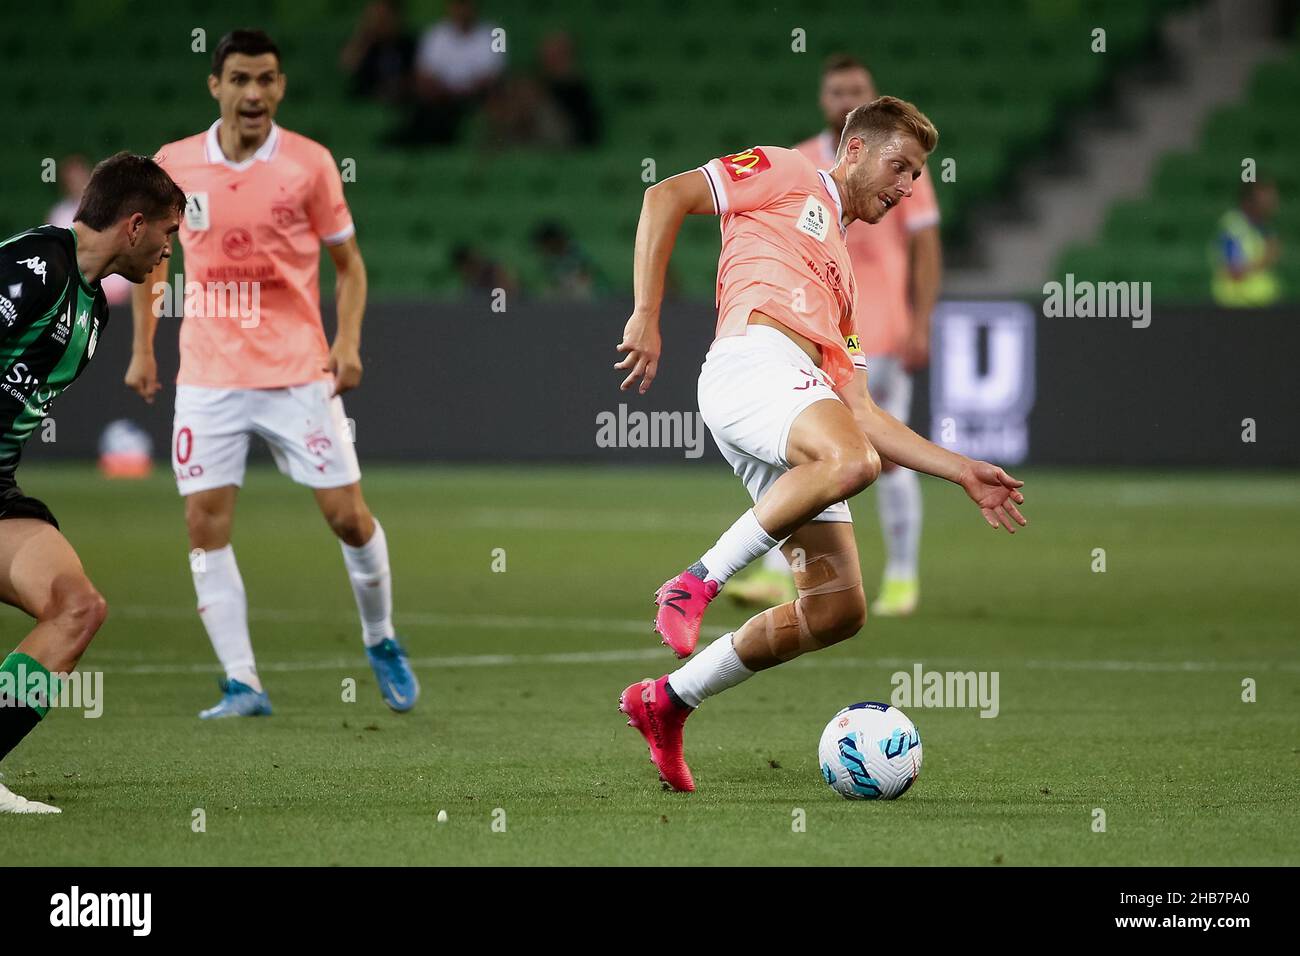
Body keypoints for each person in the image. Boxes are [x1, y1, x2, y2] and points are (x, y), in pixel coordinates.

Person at [612, 98, 1027, 792]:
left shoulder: (843, 283)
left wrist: (962, 471)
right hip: (750, 365)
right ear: (856, 148)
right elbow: (666, 196)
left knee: (838, 610)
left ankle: (667, 701)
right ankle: (694, 583)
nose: (905, 188)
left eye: (917, 178)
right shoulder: (785, 169)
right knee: (850, 462)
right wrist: (647, 315)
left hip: (797, 398)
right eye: (900, 166)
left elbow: (862, 411)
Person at [125, 30, 419, 719]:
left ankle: (381, 638)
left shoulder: (310, 165)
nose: (253, 93)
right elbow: (152, 260)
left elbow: (349, 267)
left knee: (347, 518)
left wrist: (347, 343)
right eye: (239, 79)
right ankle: (242, 681)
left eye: (266, 79)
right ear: (215, 87)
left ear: (280, 87)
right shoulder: (174, 166)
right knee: (204, 525)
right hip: (207, 375)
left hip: (296, 370)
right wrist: (143, 348)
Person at [0, 153, 184, 812]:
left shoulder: (93, 310)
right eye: (166, 235)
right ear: (134, 225)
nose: (168, 253)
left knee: (78, 609)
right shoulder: (34, 268)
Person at [729, 53, 941, 617]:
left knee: (878, 452)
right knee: (806, 451)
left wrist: (921, 321)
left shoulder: (901, 166)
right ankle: (784, 573)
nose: (846, 100)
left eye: (857, 90)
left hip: (881, 331)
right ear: (825, 103)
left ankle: (900, 575)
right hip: (809, 328)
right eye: (836, 91)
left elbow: (926, 248)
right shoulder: (798, 163)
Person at [47, 155, 133, 306]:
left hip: (118, 296)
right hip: (80, 297)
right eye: (71, 179)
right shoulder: (60, 214)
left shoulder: (114, 208)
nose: (76, 183)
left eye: (79, 176)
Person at [1211, 179, 1282, 307]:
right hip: (1238, 304)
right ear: (1249, 200)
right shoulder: (1233, 226)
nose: (1270, 201)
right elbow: (1234, 271)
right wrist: (1266, 258)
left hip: (1262, 303)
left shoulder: (1263, 228)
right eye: (1264, 197)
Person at [339, 0, 416, 103]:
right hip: (366, 100)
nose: (381, 22)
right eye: (377, 17)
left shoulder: (408, 45)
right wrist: (364, 36)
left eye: (385, 17)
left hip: (400, 102)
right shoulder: (367, 44)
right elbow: (346, 67)